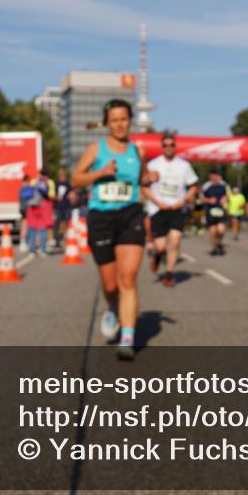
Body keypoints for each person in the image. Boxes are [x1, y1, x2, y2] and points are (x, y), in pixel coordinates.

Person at [72, 99, 153, 361]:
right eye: (114, 119)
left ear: (130, 121)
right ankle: (112, 307)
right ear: (107, 123)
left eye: (124, 119)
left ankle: (128, 336)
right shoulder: (97, 149)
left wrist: (150, 179)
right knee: (110, 283)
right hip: (101, 217)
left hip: (130, 215)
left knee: (127, 278)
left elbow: (142, 180)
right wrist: (101, 173)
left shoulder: (138, 152)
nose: (119, 124)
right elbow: (76, 179)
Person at [144, 133, 198, 287]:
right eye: (166, 145)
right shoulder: (153, 164)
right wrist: (157, 202)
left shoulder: (184, 165)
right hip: (158, 209)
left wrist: (183, 201)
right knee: (160, 246)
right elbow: (144, 188)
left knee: (175, 242)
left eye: (171, 145)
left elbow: (193, 186)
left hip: (176, 208)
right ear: (161, 147)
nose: (169, 147)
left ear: (175, 147)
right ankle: (157, 255)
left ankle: (169, 274)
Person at [23, 171, 54, 257]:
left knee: (32, 229)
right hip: (41, 208)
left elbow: (26, 193)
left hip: (31, 208)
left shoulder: (33, 182)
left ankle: (32, 250)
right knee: (42, 229)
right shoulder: (45, 183)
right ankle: (43, 249)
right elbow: (48, 194)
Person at [200, 170, 229, 256]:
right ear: (210, 177)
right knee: (213, 232)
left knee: (221, 231)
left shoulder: (223, 185)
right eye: (213, 176)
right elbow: (201, 198)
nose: (215, 178)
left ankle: (218, 243)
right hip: (210, 211)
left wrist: (225, 199)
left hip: (220, 210)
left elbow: (228, 194)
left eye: (216, 176)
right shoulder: (206, 186)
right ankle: (214, 248)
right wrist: (208, 200)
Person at [52, 168, 71, 250]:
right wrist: (55, 198)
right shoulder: (56, 184)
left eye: (63, 174)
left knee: (67, 222)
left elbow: (73, 192)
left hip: (67, 206)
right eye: (60, 174)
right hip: (58, 207)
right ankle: (57, 240)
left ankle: (67, 238)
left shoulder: (68, 184)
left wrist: (72, 196)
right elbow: (52, 194)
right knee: (57, 223)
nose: (62, 176)